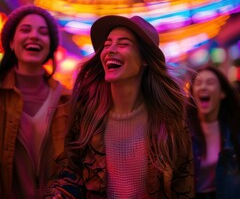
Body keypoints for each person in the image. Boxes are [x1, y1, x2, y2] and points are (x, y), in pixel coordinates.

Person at [44, 15, 195, 198]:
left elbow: (183, 186)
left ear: (145, 60)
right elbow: (70, 173)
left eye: (123, 44)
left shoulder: (171, 121)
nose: (110, 51)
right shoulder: (85, 116)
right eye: (107, 45)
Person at [0, 5, 71, 199]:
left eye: (43, 32)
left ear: (50, 47)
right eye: (25, 30)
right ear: (11, 42)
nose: (34, 36)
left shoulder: (68, 100)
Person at [187, 65, 240, 199]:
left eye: (210, 82)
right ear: (193, 93)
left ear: (222, 93)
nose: (203, 87)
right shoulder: (183, 133)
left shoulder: (233, 131)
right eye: (198, 83)